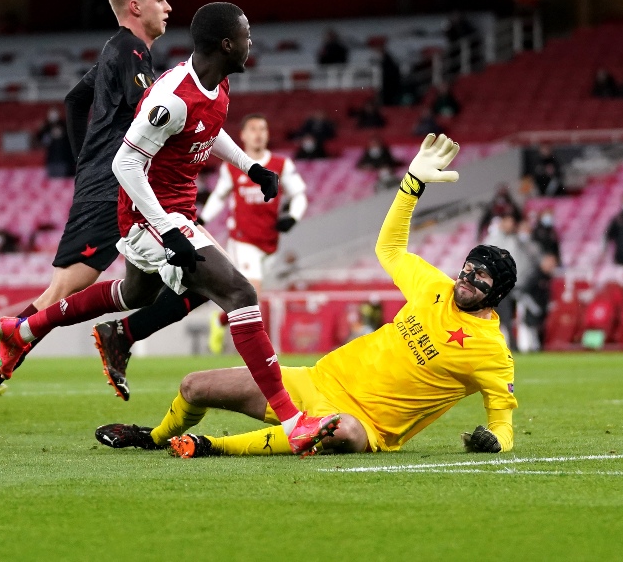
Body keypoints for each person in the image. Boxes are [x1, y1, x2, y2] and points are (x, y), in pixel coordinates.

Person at [0, 2, 342, 456]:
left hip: (174, 211)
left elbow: (208, 130)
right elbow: (125, 162)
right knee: (240, 293)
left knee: (135, 294)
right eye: (245, 35)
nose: (250, 43)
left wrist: (250, 166)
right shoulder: (172, 97)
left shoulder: (216, 84)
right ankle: (293, 420)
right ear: (225, 44)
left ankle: (25, 330)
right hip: (150, 215)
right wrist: (168, 229)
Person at [96, 135, 520, 457]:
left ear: (496, 294)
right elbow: (389, 249)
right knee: (193, 386)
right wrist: (411, 186)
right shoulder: (436, 289)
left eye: (480, 278)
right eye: (468, 268)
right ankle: (151, 438)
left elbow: (503, 422)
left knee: (340, 431)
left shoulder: (490, 352)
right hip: (314, 381)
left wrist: (494, 440)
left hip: (363, 423)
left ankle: (210, 446)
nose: (466, 278)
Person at [0, 0, 188, 447]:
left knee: (150, 285)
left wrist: (85, 163)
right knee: (60, 299)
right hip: (111, 190)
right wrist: (95, 170)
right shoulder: (130, 52)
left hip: (109, 184)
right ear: (134, 6)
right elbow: (145, 125)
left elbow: (75, 100)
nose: (168, 6)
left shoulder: (119, 52)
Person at [195, 114, 308, 353]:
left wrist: (293, 217)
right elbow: (219, 195)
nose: (258, 133)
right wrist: (203, 218)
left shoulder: (281, 164)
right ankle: (257, 350)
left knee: (250, 296)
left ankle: (220, 320)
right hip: (242, 239)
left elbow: (299, 194)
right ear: (243, 135)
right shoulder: (233, 167)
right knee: (253, 291)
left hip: (269, 241)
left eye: (263, 129)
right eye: (253, 129)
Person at [484, 213, 536, 343]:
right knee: (504, 316)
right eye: (508, 222)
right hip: (500, 284)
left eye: (512, 222)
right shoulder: (493, 239)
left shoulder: (517, 239)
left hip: (517, 284)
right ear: (502, 223)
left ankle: (517, 343)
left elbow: (530, 257)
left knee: (516, 316)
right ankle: (507, 343)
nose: (510, 225)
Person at [516, 252, 556, 353]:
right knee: (528, 326)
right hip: (530, 306)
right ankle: (526, 347)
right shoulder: (535, 275)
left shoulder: (547, 277)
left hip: (540, 307)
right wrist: (533, 307)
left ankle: (535, 347)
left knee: (537, 327)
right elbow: (524, 293)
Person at [37, 108, 75, 178]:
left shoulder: (64, 125)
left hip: (63, 159)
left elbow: (71, 139)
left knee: (62, 180)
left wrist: (62, 134)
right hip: (51, 160)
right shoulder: (46, 127)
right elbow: (40, 139)